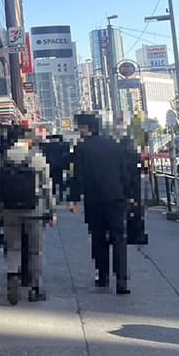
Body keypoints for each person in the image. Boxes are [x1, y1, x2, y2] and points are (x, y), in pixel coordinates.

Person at [69, 113, 131, 294]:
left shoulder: (81, 149)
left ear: (86, 128)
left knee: (98, 238)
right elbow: (124, 173)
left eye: (80, 127)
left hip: (93, 199)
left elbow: (77, 176)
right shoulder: (114, 146)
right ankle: (122, 280)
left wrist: (74, 199)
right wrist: (129, 195)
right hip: (116, 198)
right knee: (119, 238)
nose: (79, 131)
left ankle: (103, 276)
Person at [0, 126, 55, 305]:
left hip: (9, 210)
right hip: (34, 210)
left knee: (13, 247)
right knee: (35, 250)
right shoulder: (36, 157)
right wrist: (51, 210)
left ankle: (13, 275)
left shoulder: (0, 158)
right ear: (25, 139)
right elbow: (47, 187)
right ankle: (35, 288)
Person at [40, 134, 71, 202]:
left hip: (51, 165)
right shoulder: (64, 145)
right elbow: (67, 155)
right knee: (60, 180)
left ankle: (53, 195)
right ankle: (61, 195)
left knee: (52, 180)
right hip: (60, 164)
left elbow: (44, 155)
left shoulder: (47, 146)